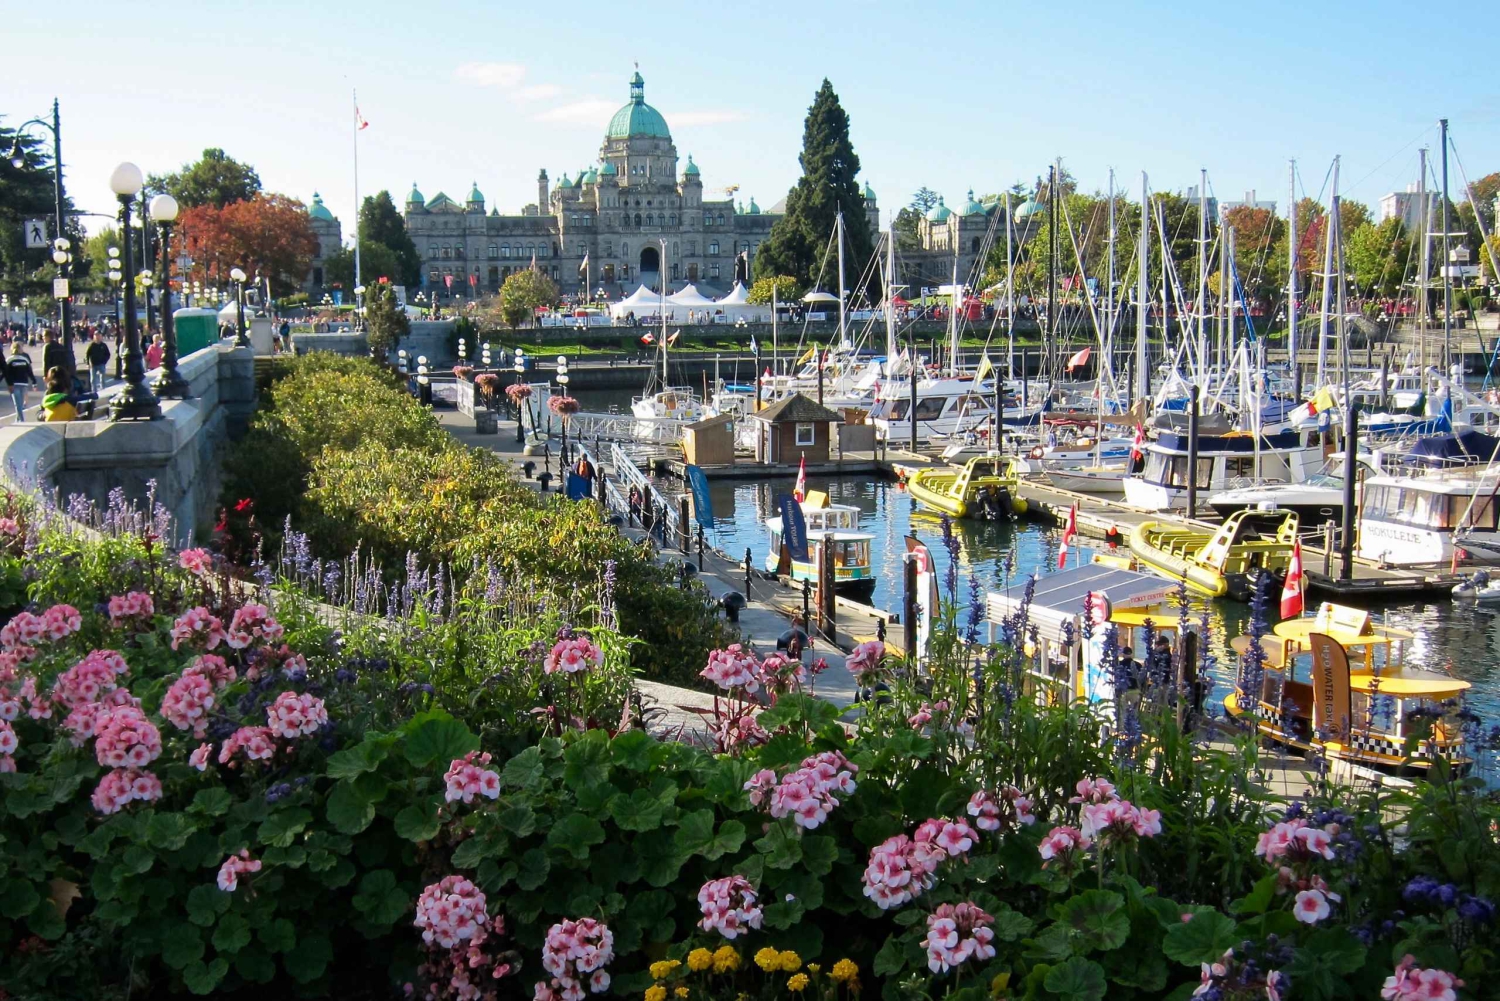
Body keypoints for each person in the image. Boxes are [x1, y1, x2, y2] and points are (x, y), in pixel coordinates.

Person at [4, 343, 37, 422]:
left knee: (17, 404)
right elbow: (30, 372)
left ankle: (21, 420)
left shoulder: (9, 360)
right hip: (24, 383)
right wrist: (34, 382)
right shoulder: (24, 359)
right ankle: (17, 420)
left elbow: (5, 373)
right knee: (20, 404)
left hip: (14, 384)